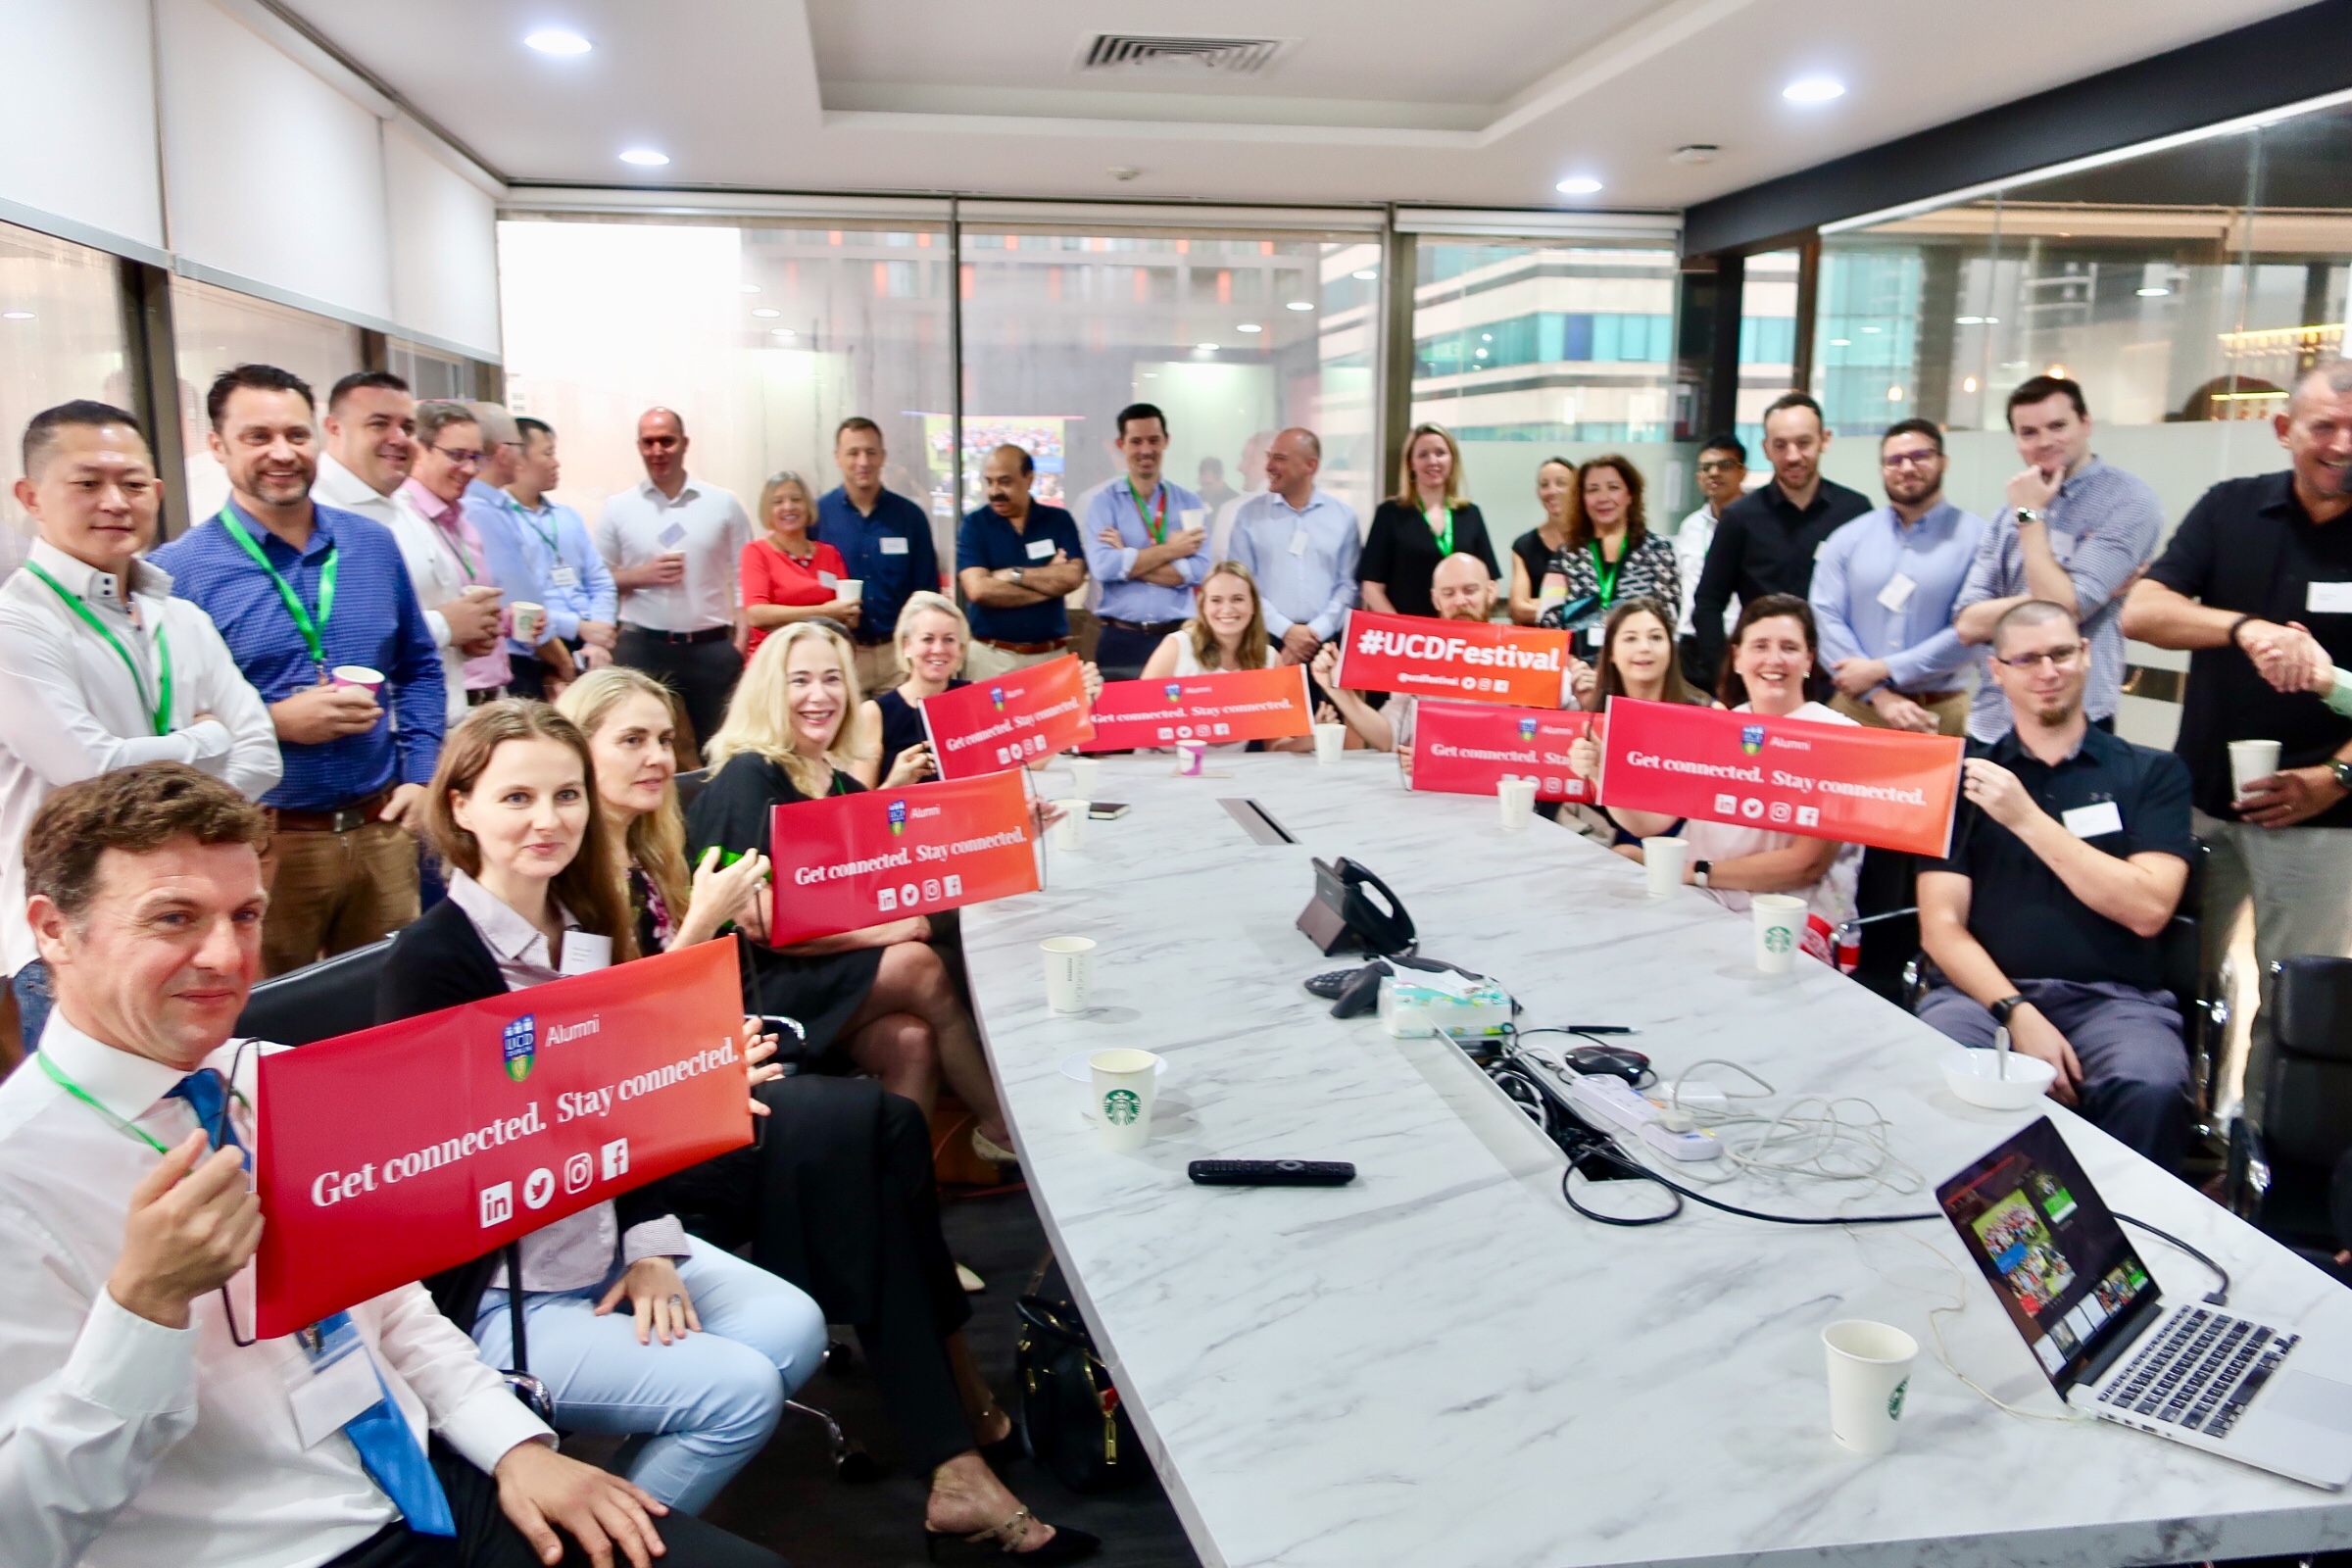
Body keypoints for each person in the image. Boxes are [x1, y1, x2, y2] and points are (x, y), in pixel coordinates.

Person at [0, 760, 779, 1568]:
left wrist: (513, 1445)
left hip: (426, 1483)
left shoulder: (270, 1076)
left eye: (246, 915)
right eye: (174, 918)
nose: (227, 956)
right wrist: (145, 1310)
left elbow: (392, 1306)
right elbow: (21, 1532)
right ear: (54, 931)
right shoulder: (18, 1178)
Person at [557, 668, 1102, 1563]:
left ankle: (956, 1457)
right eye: (631, 741)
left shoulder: (649, 855)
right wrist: (704, 938)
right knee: (874, 1132)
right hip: (645, 1153)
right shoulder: (576, 884)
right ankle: (957, 1423)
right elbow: (594, 1055)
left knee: (879, 1134)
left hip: (705, 1092)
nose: (656, 758)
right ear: (578, 751)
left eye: (662, 739)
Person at [376, 701, 828, 1517]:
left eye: (567, 795)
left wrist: (648, 1241)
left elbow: (612, 1111)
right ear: (461, 806)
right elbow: (455, 1165)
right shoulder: (431, 961)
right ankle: (602, 1533)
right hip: (502, 1287)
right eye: (518, 798)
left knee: (794, 1328)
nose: (548, 820)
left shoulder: (587, 925)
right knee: (741, 1393)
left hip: (605, 1239)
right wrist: (675, 1096)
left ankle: (601, 1503)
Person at [0, 402, 280, 1054]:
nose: (114, 501)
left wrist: (156, 761)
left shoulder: (181, 618)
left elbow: (263, 756)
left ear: (156, 491)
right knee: (100, 1112)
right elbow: (89, 773)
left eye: (131, 483)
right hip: (78, 933)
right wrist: (207, 742)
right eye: (88, 482)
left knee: (202, 1098)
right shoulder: (16, 624)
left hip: (195, 918)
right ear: (31, 497)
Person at [149, 365, 446, 978]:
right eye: (258, 437)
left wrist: (421, 774)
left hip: (382, 828)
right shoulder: (179, 572)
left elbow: (419, 664)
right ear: (218, 446)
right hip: (263, 840)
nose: (282, 453)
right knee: (270, 1012)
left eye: (296, 435)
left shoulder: (371, 545)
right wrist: (272, 722)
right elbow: (166, 722)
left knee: (392, 1001)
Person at [684, 622, 1019, 1161]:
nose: (819, 695)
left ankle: (895, 1199)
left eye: (832, 679)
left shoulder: (840, 783)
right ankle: (1001, 1128)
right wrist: (886, 931)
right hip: (757, 985)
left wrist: (1008, 835)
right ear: (768, 691)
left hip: (824, 968)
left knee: (912, 1040)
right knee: (917, 964)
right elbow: (758, 921)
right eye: (799, 680)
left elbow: (905, 867)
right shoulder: (749, 775)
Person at [2123, 359, 2352, 1122]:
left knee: (2297, 1000)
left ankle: (2258, 1147)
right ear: (2284, 429)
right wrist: (2244, 628)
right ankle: (2176, 1129)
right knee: (2174, 976)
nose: (2342, 444)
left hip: (2325, 817)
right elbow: (2143, 611)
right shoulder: (2231, 507)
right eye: (2324, 426)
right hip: (2201, 802)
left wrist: (2336, 778)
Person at [1914, 601, 2195, 1169]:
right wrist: (2017, 1011)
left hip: (2115, 1002)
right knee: (1939, 1062)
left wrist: (2026, 818)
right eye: (2027, 659)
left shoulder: (2151, 772)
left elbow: (2148, 909)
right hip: (1982, 998)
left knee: (2151, 1084)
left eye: (2061, 653)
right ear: (1998, 672)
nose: (2048, 672)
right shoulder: (1962, 780)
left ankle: (2124, 1223)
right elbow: (1940, 928)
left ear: (2086, 655)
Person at [1583, 596, 1861, 938]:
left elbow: (1806, 865)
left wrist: (1694, 871)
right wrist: (1603, 774)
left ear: (1809, 659)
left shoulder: (1838, 736)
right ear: (1738, 658)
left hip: (1784, 913)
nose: (1774, 659)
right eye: (1760, 646)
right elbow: (1651, 824)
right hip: (1698, 895)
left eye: (1789, 647)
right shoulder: (1717, 725)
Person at [1953, 375, 2163, 743]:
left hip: (2076, 722)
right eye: (2029, 432)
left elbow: (2064, 609)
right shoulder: (2008, 512)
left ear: (2086, 423)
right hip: (1994, 721)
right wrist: (2060, 598)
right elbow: (1968, 623)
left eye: (2057, 426)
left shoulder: (2128, 502)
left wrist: (2030, 516)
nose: (2044, 441)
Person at [316, 374, 497, 727]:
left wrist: (466, 637)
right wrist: (446, 626)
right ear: (334, 428)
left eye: (407, 427)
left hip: (436, 721)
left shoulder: (398, 502)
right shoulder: (317, 512)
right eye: (379, 424)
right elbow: (339, 635)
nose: (398, 438)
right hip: (382, 732)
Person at [1807, 418, 1987, 736]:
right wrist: (1879, 694)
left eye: (1920, 456)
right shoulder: (1848, 539)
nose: (1906, 467)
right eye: (1894, 460)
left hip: (1938, 713)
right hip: (1855, 709)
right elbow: (1824, 617)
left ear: (1943, 462)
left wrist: (1884, 669)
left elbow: (1974, 631)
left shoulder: (1979, 539)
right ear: (1882, 469)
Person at [597, 408, 753, 757]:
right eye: (648, 442)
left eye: (666, 441)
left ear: (684, 444)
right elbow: (596, 582)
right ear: (639, 446)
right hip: (641, 646)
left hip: (711, 647)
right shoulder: (618, 507)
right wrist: (641, 575)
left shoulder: (722, 504)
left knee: (723, 748)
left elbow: (746, 576)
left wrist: (740, 642)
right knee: (634, 744)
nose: (657, 451)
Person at [1689, 394, 1871, 679]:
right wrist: (1726, 675)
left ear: (1824, 440)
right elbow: (1708, 604)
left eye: (1803, 443)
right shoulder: (1740, 517)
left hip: (1837, 678)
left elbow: (1869, 600)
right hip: (1764, 675)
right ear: (1766, 449)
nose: (1793, 456)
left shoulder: (1855, 512)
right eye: (1780, 445)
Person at [1308, 552, 1498, 761]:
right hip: (1427, 777)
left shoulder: (1519, 656)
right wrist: (1337, 690)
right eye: (1448, 593)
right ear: (1436, 600)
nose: (1460, 601)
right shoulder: (1418, 657)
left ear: (1490, 592)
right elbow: (1388, 737)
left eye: (1470, 590)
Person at [485, 416, 619, 699]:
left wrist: (596, 640)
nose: (556, 463)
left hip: (587, 648)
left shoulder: (567, 517)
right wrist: (578, 627)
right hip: (528, 652)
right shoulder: (494, 519)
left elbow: (600, 582)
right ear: (518, 458)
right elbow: (512, 601)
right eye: (548, 453)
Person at [1560, 597, 1711, 841]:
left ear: (1671, 648)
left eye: (1656, 637)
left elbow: (1652, 827)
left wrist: (1602, 773)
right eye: (1630, 638)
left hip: (1678, 848)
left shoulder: (1705, 715)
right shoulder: (1595, 715)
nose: (1644, 648)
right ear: (1610, 652)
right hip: (1607, 843)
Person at [464, 404, 586, 702]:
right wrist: (563, 662)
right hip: (515, 655)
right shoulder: (480, 511)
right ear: (504, 452)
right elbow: (518, 598)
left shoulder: (496, 506)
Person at [1082, 403, 1210, 681]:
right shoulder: (1103, 504)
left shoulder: (1189, 502)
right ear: (1121, 445)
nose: (1146, 450)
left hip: (1177, 637)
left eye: (1153, 440)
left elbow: (1199, 570)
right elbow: (1103, 567)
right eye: (1136, 441)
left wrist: (1126, 556)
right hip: (1120, 639)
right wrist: (1172, 551)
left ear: (1166, 441)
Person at [815, 416, 940, 696]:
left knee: (902, 725)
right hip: (840, 654)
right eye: (853, 453)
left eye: (871, 452)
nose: (863, 462)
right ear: (837, 458)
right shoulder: (817, 516)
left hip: (897, 656)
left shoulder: (910, 517)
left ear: (883, 456)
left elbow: (927, 591)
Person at [401, 401, 512, 705]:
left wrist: (504, 621)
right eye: (457, 456)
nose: (470, 469)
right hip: (444, 699)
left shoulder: (463, 522)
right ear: (419, 451)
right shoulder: (401, 521)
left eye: (476, 457)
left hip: (490, 694)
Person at [956, 443, 1088, 681]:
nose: (994, 491)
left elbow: (1073, 576)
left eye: (1005, 482)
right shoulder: (974, 525)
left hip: (1050, 657)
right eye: (989, 482)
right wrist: (1049, 583)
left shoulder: (1059, 520)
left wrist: (1014, 575)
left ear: (1029, 479)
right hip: (991, 658)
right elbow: (978, 590)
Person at [1228, 427, 1359, 663]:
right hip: (1264, 641)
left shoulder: (1343, 517)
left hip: (1326, 644)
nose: (1269, 466)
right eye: (1269, 456)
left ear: (1311, 465)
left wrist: (1314, 633)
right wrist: (1286, 631)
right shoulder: (1249, 516)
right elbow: (1241, 584)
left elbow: (1348, 585)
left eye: (1280, 458)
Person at [1359, 423, 1498, 619]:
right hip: (1408, 632)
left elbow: (1490, 580)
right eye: (1423, 455)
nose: (1433, 461)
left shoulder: (1470, 514)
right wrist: (1400, 628)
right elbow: (1371, 588)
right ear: (1411, 463)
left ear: (1452, 459)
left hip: (1460, 629)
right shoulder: (1390, 514)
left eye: (1440, 453)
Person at [1537, 456, 1679, 643]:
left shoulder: (1658, 550)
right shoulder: (1566, 556)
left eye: (1613, 488)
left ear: (1630, 495)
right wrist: (1571, 659)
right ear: (1582, 499)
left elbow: (1669, 617)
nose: (1603, 498)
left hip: (1640, 656)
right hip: (1577, 660)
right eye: (1593, 490)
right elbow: (1547, 617)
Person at [740, 469, 855, 659]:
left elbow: (849, 616)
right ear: (767, 511)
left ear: (808, 506)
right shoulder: (756, 552)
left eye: (796, 500)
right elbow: (756, 615)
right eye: (778, 502)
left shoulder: (830, 553)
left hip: (823, 657)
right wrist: (823, 612)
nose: (788, 507)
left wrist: (847, 613)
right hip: (774, 660)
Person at [1674, 433, 1747, 668]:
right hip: (1690, 644)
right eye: (1706, 468)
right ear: (1698, 477)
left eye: (1725, 465)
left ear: (1742, 472)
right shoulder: (1690, 526)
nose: (1714, 473)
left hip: (1737, 641)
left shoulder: (1757, 524)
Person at [1506, 458, 1576, 626]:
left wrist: (1540, 602)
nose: (1552, 491)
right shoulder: (1524, 545)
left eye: (1561, 483)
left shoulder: (1594, 542)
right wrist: (1575, 605)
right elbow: (1518, 610)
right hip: (1540, 640)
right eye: (1544, 485)